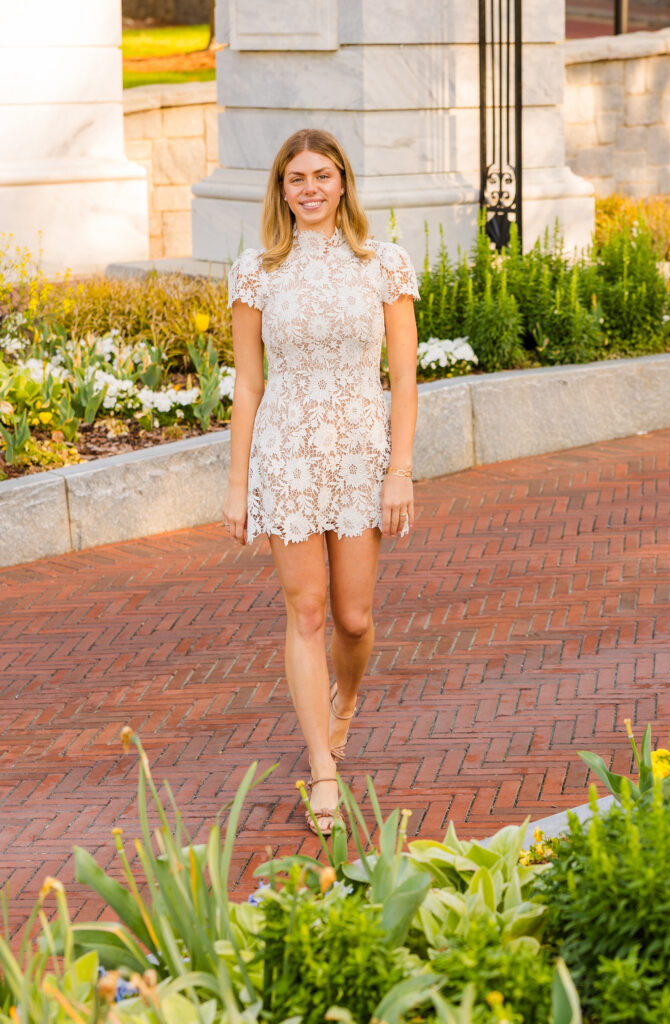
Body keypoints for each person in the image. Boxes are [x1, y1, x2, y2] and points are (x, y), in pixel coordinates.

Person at [222, 128, 419, 835]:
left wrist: (399, 471)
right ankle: (322, 767)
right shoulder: (256, 271)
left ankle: (345, 702)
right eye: (295, 178)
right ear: (281, 190)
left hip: (361, 454)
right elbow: (247, 385)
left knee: (353, 618)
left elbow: (403, 381)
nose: (309, 188)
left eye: (321, 176)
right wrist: (239, 482)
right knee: (304, 612)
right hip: (287, 455)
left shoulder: (383, 264)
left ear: (342, 183)